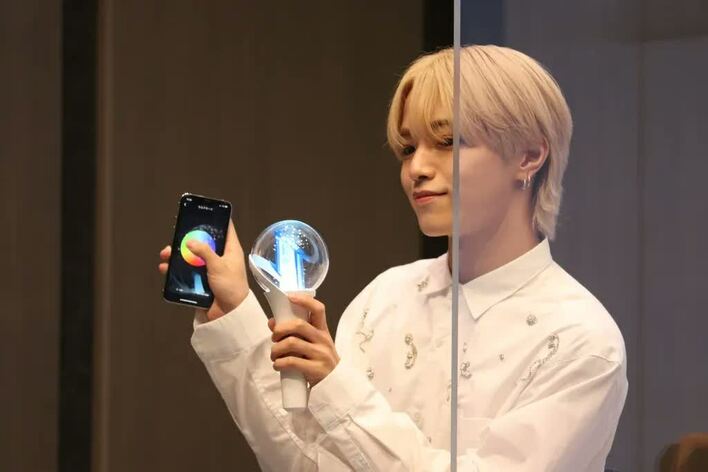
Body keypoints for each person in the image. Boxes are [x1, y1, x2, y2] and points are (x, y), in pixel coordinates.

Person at [158, 45, 627, 471]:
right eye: (407, 148)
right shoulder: (385, 298)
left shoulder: (581, 341)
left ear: (529, 155)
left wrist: (337, 388)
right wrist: (235, 310)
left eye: (447, 141)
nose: (417, 168)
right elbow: (311, 463)